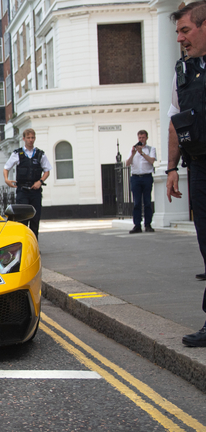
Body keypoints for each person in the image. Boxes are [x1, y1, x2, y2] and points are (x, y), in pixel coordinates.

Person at [167, 1, 206, 347]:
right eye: (177, 32)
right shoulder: (183, 71)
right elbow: (175, 121)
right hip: (199, 167)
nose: (180, 39)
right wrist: (171, 168)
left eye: (185, 30)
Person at [3, 128, 52, 238]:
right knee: (22, 220)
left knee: (35, 220)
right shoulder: (17, 153)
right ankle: (23, 245)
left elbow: (47, 171)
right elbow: (6, 168)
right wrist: (7, 180)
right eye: (28, 138)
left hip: (35, 191)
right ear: (24, 139)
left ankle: (34, 246)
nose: (30, 140)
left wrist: (40, 181)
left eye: (32, 138)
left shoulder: (40, 154)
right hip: (22, 191)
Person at [125, 130, 157, 234]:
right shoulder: (133, 150)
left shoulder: (151, 149)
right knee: (137, 203)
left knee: (147, 202)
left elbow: (152, 161)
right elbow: (127, 163)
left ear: (146, 138)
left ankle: (148, 224)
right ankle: (137, 225)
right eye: (139, 138)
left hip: (147, 177)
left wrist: (142, 153)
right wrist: (133, 154)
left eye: (143, 138)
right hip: (135, 178)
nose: (141, 140)